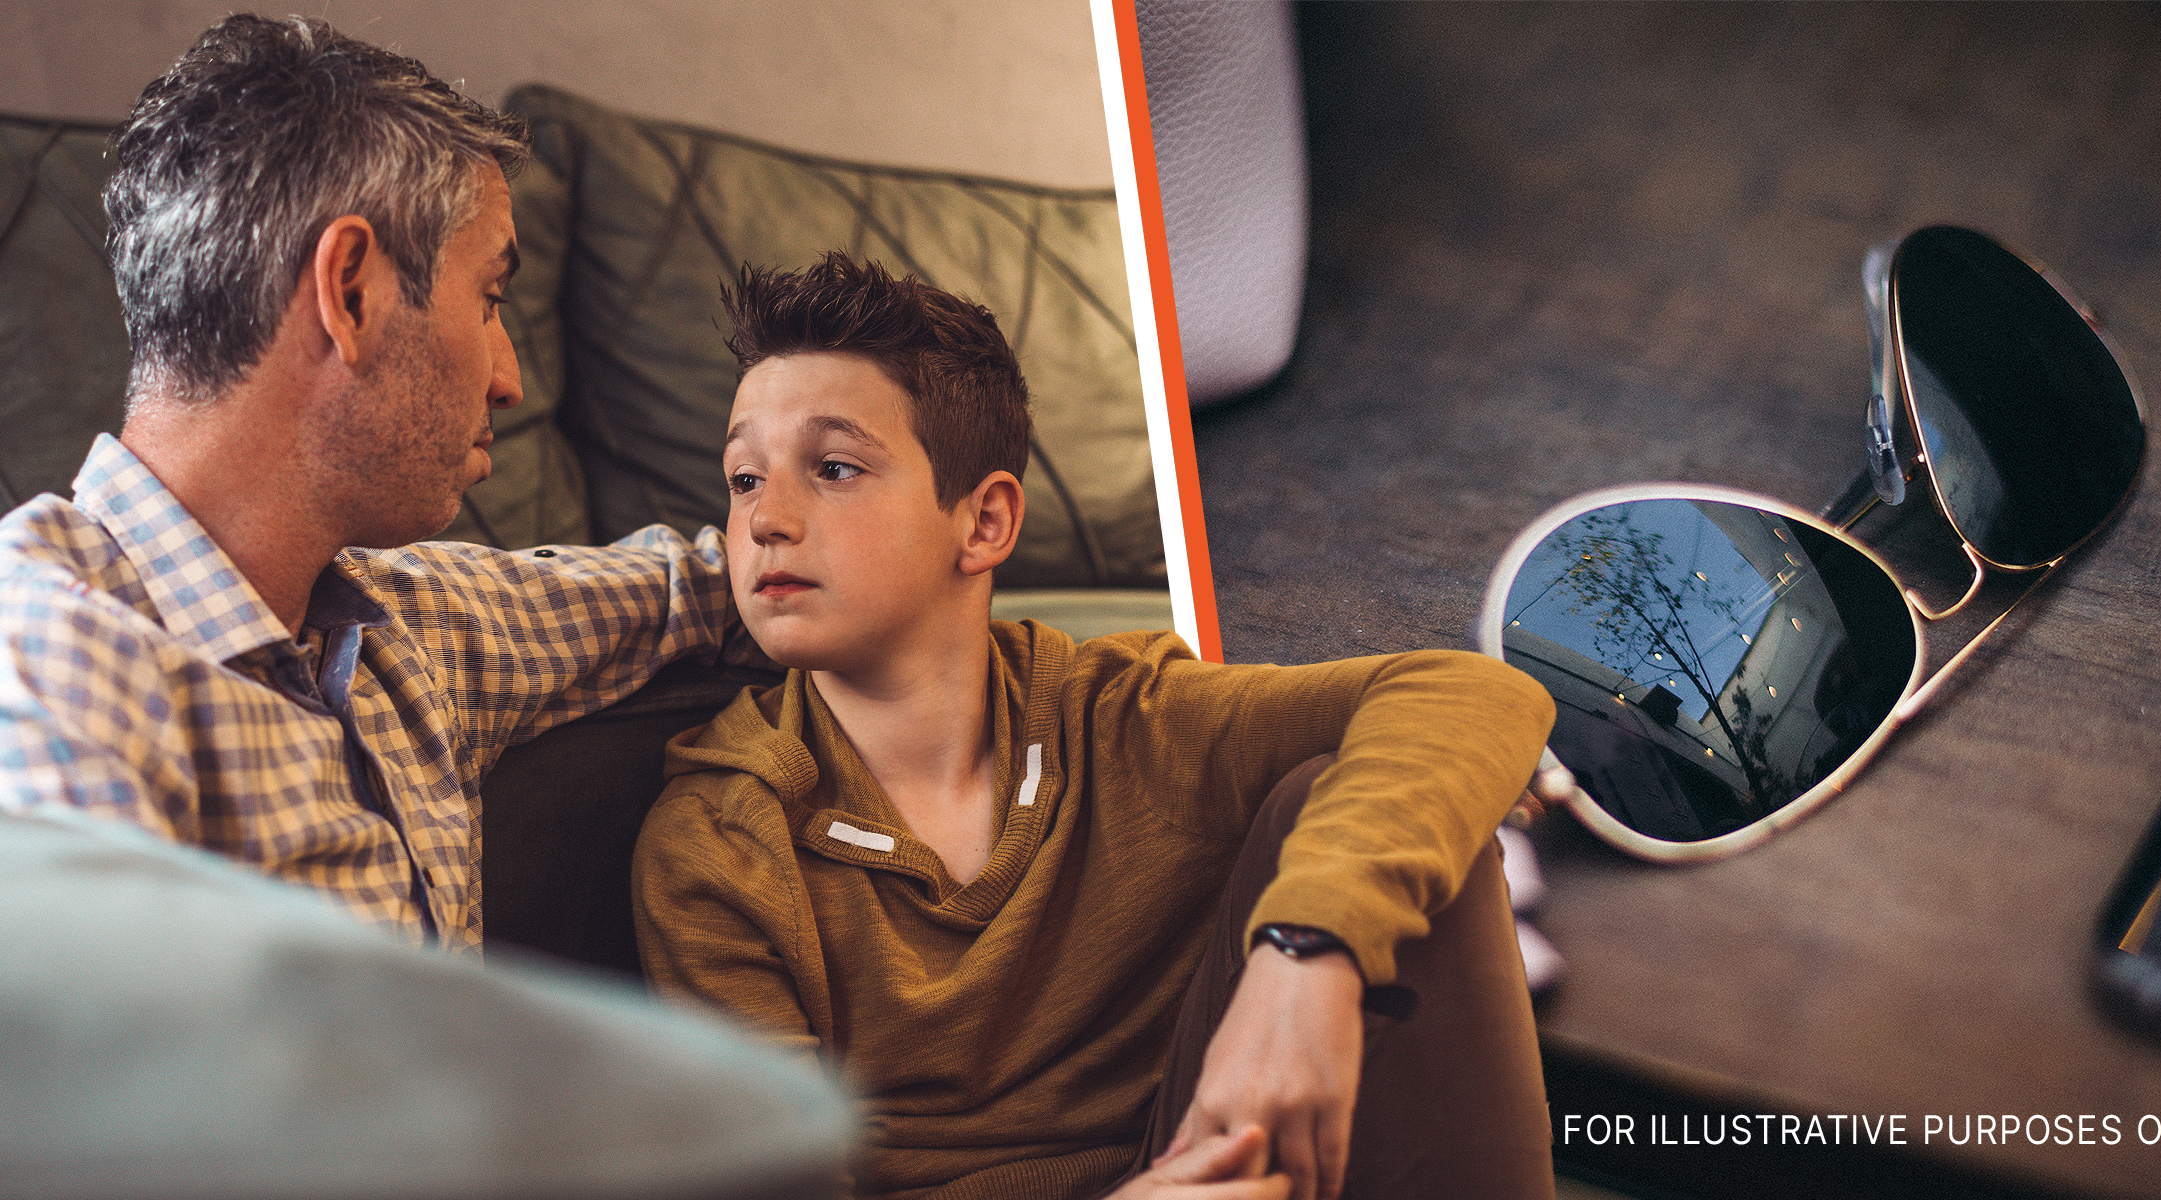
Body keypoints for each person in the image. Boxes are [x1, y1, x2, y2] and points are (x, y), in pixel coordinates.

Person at [633, 254, 1562, 1200]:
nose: (766, 521)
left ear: (985, 521)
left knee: (1363, 800)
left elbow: (1473, 696)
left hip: (1215, 1156)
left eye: (832, 468)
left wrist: (1303, 962)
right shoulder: (716, 845)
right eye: (744, 478)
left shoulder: (1125, 714)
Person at [0, 14, 747, 947]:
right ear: (351, 291)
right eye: (490, 300)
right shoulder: (53, 660)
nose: (510, 379)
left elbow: (705, 588)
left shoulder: (403, 628)